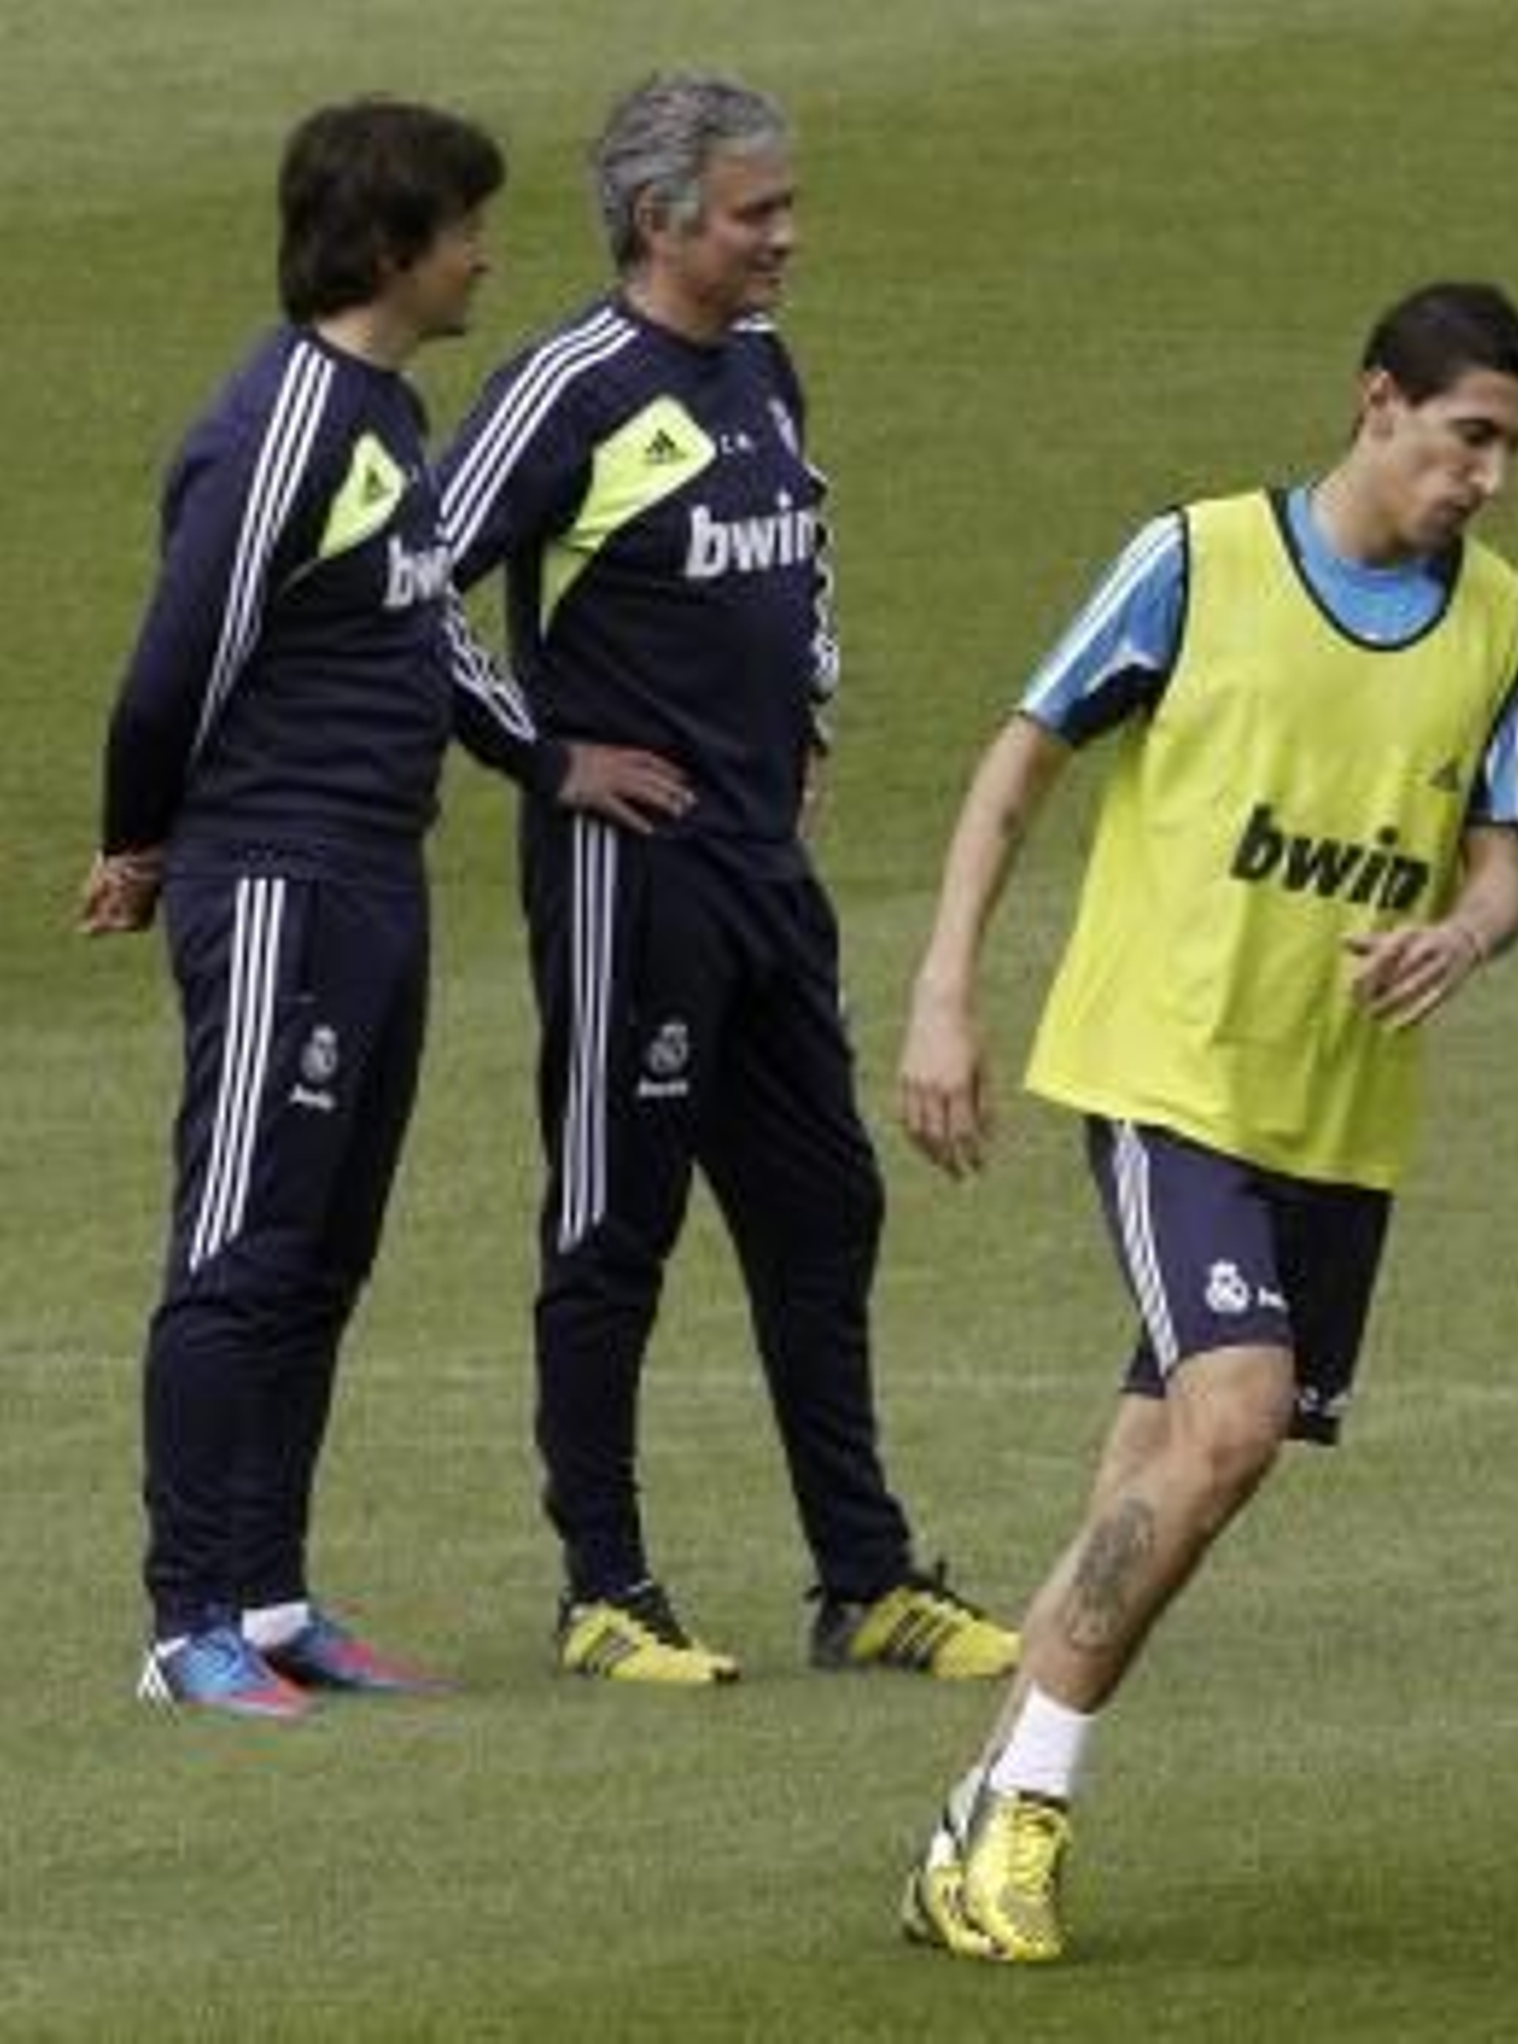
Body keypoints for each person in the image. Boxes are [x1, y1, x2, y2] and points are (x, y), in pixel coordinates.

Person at [894, 281, 1518, 1959]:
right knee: (1235, 1419)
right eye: (1470, 437)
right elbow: (1020, 757)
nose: (1488, 479)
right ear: (1377, 402)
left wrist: (1466, 930)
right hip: (1171, 1076)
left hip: (1338, 1113)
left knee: (1178, 1477)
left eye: (1513, 452)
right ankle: (1029, 1819)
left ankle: (972, 1815)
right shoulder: (1197, 561)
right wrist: (946, 994)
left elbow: (1502, 850)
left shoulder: (1501, 620)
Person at [82, 97, 680, 1720]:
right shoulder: (280, 424)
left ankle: (270, 1600)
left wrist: (547, 756)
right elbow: (168, 671)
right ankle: (182, 1619)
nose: (489, 253)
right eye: (468, 229)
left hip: (373, 881)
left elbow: (422, 632)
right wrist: (137, 845)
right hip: (275, 876)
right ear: (393, 249)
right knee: (238, 1247)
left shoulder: (384, 418)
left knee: (323, 1252)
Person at [439, 72, 1017, 1686]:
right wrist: (547, 758)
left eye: (786, 204)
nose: (788, 238)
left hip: (763, 866)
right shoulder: (571, 386)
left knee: (822, 1208)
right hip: (634, 879)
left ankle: (864, 1578)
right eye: (759, 212)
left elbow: (801, 543)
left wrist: (807, 703)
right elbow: (404, 579)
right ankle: (604, 1591)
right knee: (616, 1219)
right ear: (660, 219)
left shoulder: (759, 365)